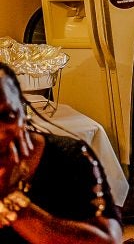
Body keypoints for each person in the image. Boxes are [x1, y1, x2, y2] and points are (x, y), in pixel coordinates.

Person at [0, 63, 122, 244]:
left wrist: (17, 207)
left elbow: (109, 240)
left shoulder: (68, 158)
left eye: (7, 116)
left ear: (23, 114)